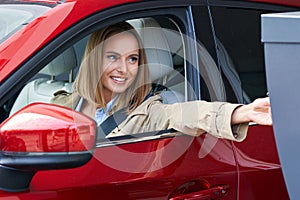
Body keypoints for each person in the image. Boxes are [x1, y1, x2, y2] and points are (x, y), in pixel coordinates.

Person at [51, 21, 272, 142]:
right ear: (94, 60)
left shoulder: (145, 112)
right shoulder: (60, 104)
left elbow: (186, 113)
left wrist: (242, 113)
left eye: (132, 59)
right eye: (112, 57)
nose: (124, 69)